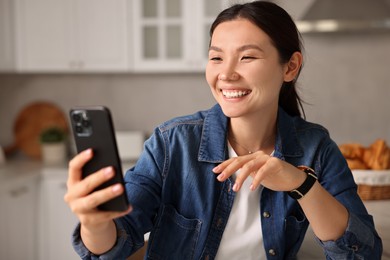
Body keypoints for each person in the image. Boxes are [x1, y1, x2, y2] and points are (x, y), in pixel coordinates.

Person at [65, 1, 383, 259]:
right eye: (216, 57)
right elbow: (115, 244)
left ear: (290, 66)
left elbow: (363, 252)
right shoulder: (170, 144)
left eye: (246, 57)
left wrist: (298, 183)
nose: (226, 74)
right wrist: (94, 223)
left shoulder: (316, 147)